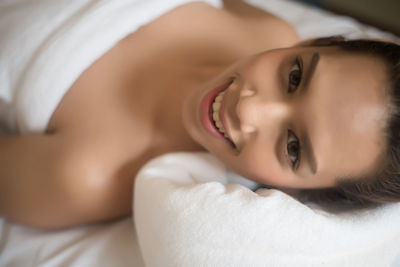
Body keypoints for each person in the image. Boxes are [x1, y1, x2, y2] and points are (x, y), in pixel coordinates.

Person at [0, 0, 399, 228]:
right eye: (294, 76)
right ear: (315, 41)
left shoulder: (88, 175)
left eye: (293, 147)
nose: (249, 108)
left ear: (296, 192)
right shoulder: (270, 31)